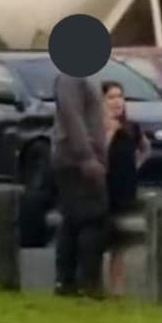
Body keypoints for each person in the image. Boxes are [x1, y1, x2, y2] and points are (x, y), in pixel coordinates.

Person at [52, 70, 110, 298]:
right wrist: (86, 156)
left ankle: (67, 282)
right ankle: (87, 281)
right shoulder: (71, 76)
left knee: (74, 221)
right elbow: (72, 117)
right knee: (92, 218)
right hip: (77, 160)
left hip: (79, 158)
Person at [102, 81, 151, 297]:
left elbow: (146, 149)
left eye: (120, 96)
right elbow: (97, 156)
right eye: (111, 97)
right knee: (102, 237)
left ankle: (117, 288)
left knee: (120, 242)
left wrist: (134, 166)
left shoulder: (132, 127)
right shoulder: (97, 127)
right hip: (103, 189)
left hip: (125, 188)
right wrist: (109, 134)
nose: (117, 102)